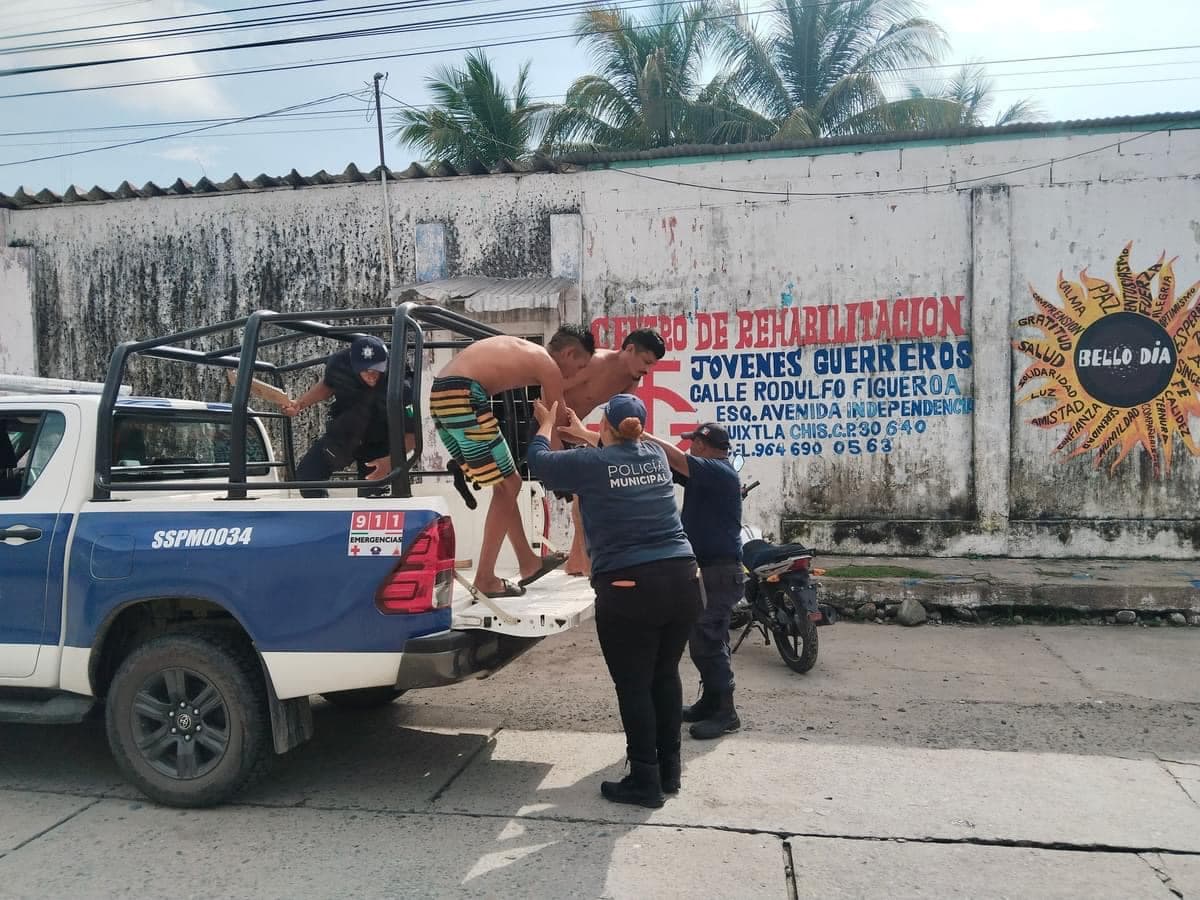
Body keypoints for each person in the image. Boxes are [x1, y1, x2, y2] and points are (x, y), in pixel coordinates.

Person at [528, 393, 702, 809]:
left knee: (634, 684)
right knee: (664, 675)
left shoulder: (591, 465)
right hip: (683, 579)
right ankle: (669, 771)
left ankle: (644, 779)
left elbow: (539, 461)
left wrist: (546, 423)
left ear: (605, 425)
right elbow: (617, 453)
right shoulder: (655, 457)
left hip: (630, 586)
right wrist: (581, 433)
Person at [558, 416, 743, 741]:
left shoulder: (718, 472)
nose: (689, 447)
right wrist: (588, 435)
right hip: (710, 568)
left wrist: (638, 433)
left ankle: (726, 712)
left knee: (710, 641)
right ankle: (712, 701)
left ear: (703, 445)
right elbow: (639, 458)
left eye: (693, 442)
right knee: (703, 641)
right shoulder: (704, 474)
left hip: (719, 570)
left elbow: (671, 456)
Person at [430, 325, 594, 598]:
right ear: (568, 353)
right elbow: (558, 422)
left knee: (505, 485)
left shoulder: (530, 353)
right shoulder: (548, 365)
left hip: (442, 394)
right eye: (581, 366)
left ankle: (528, 562)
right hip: (463, 394)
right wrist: (576, 460)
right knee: (509, 485)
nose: (577, 374)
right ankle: (485, 579)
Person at [560, 328, 667, 576]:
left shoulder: (631, 379)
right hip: (553, 426)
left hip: (576, 431)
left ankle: (577, 560)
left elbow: (622, 422)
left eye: (652, 365)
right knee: (583, 491)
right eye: (646, 362)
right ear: (630, 349)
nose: (648, 370)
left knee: (588, 490)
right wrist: (551, 424)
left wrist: (587, 436)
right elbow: (551, 384)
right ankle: (581, 561)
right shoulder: (594, 362)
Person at [284, 335, 412, 498]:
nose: (371, 375)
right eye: (366, 370)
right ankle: (325, 511)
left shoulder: (401, 384)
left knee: (373, 496)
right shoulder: (340, 366)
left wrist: (390, 462)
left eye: (376, 370)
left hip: (380, 442)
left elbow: (412, 435)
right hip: (345, 433)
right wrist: (299, 404)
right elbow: (328, 385)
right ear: (354, 367)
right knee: (308, 476)